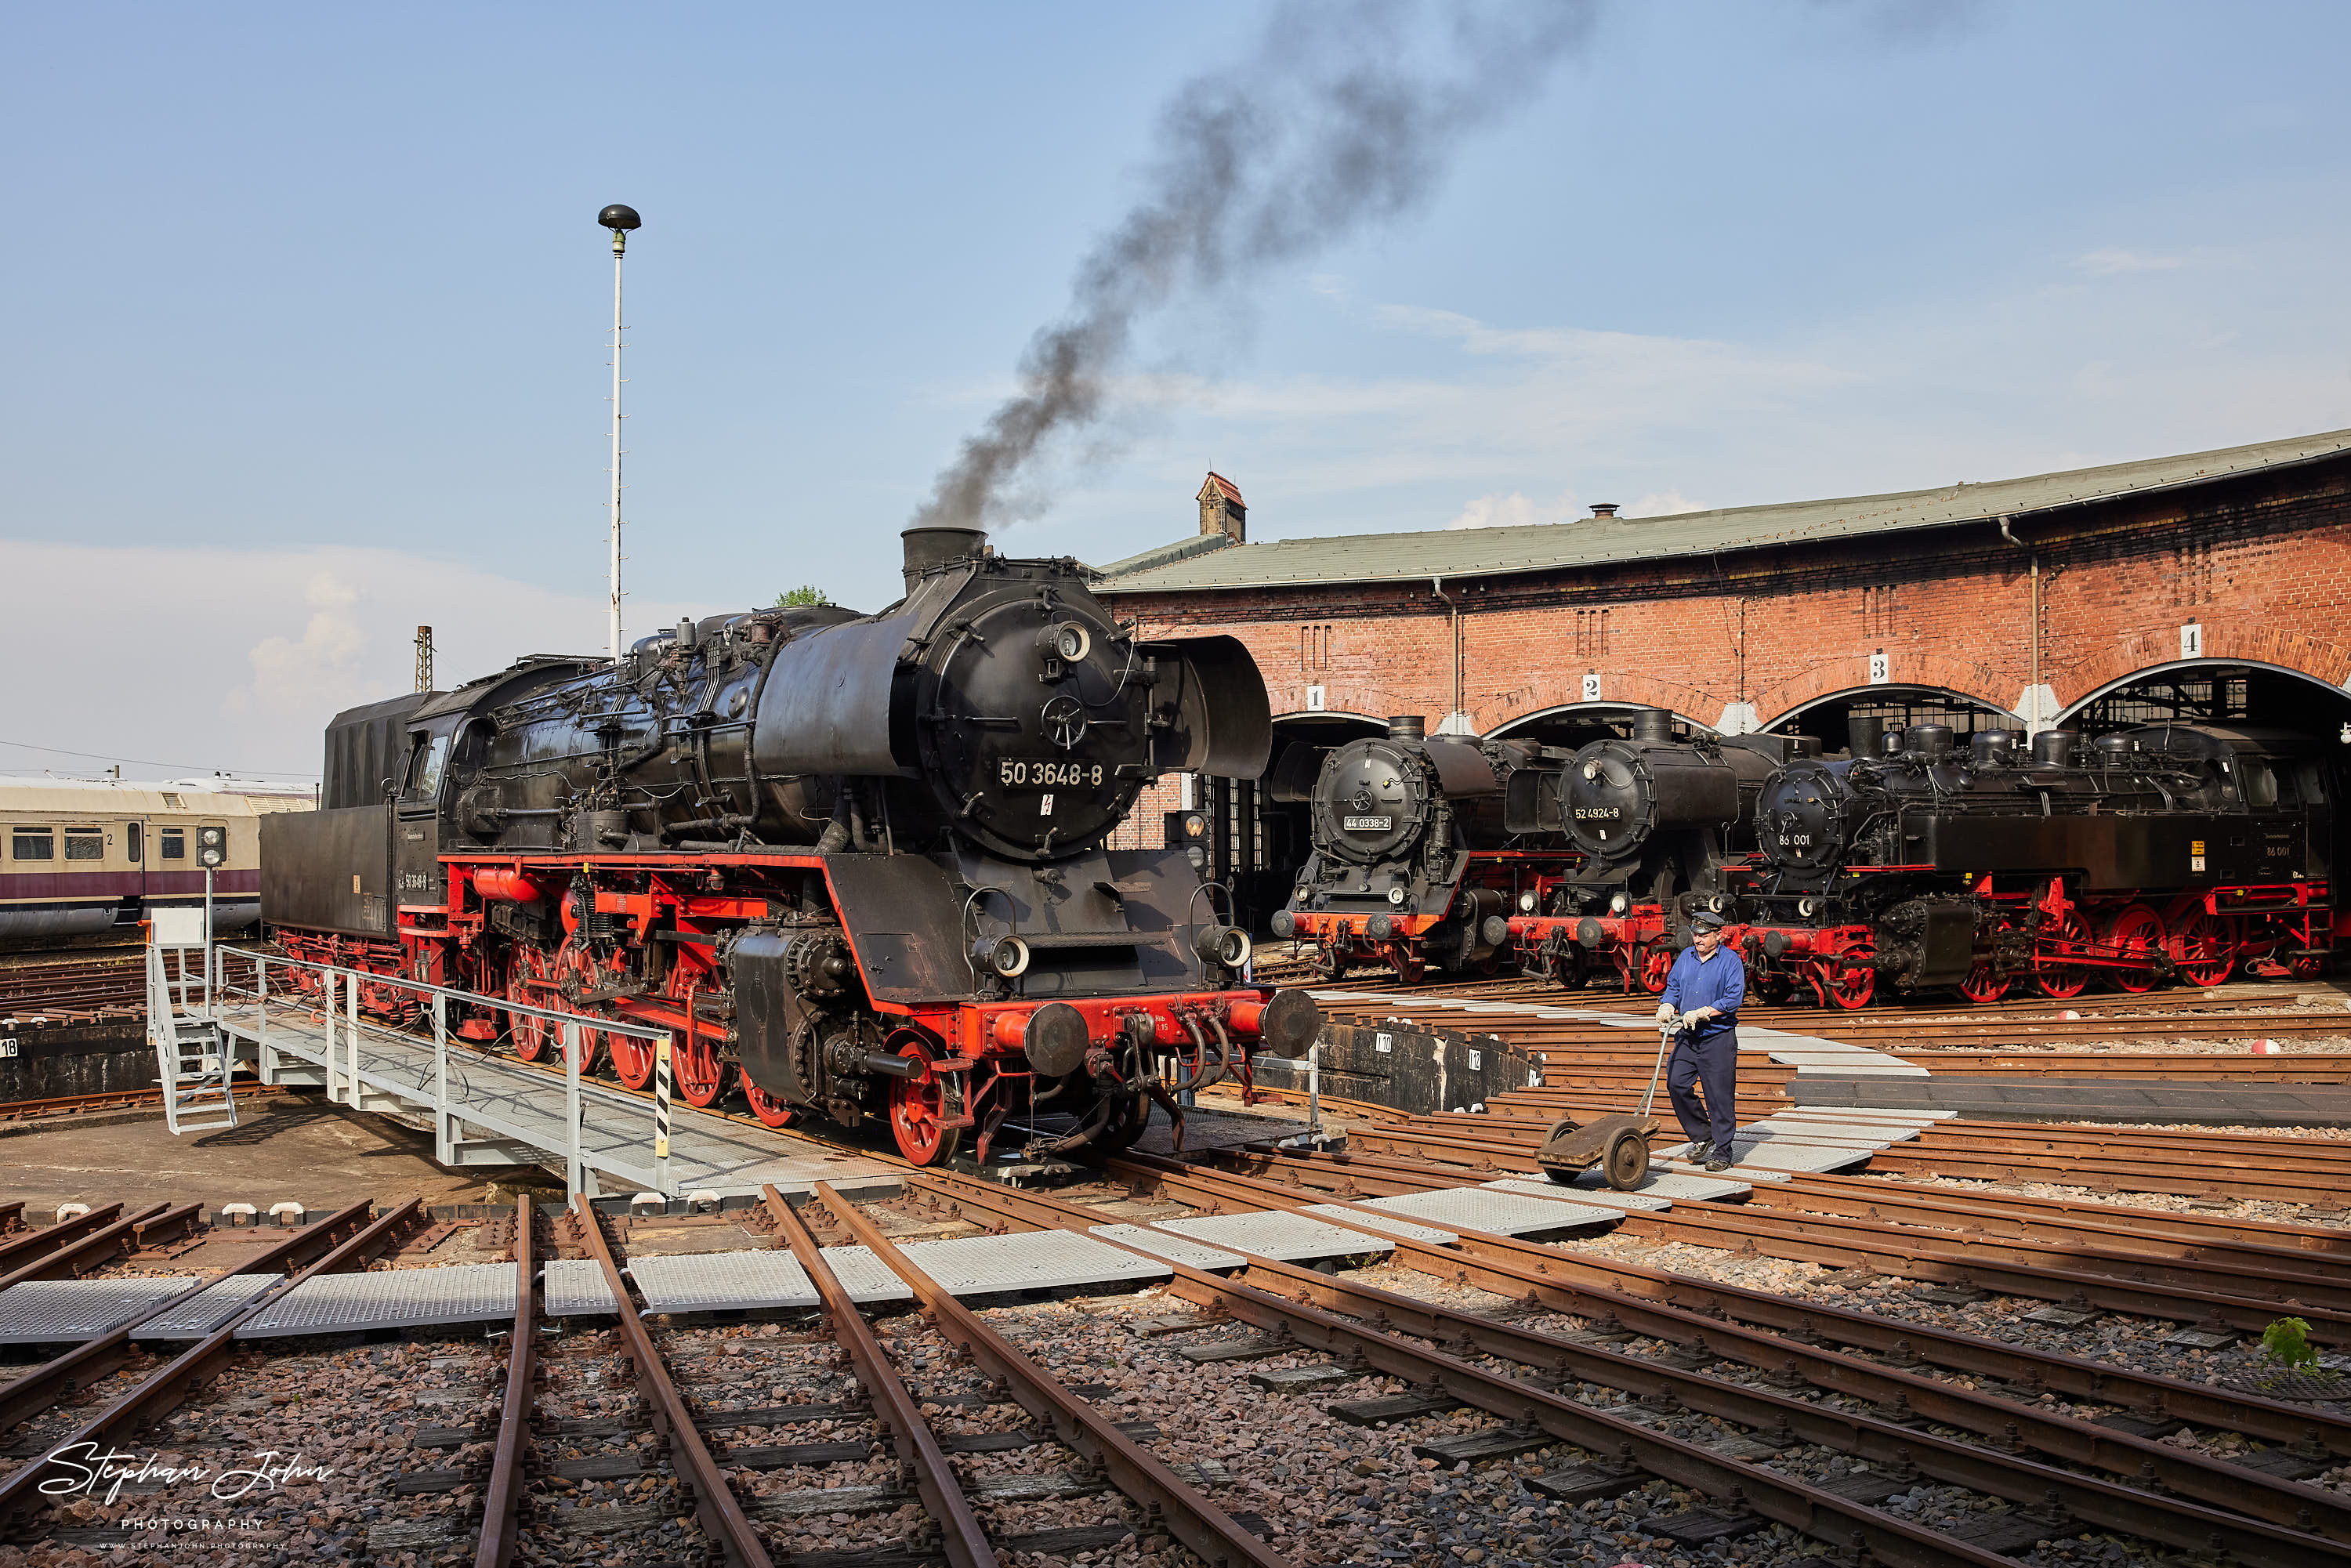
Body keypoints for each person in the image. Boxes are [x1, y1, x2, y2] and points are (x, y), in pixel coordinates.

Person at [1655, 909, 1744, 1171]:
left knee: (1719, 1097)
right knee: (1676, 1083)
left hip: (1717, 1038)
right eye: (1695, 934)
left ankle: (1724, 1151)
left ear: (1718, 935)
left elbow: (1732, 999)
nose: (1698, 939)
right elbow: (1673, 987)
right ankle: (1703, 1136)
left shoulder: (1730, 961)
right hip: (1687, 1034)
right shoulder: (1686, 958)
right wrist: (1668, 1005)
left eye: (1704, 935)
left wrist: (1705, 1011)